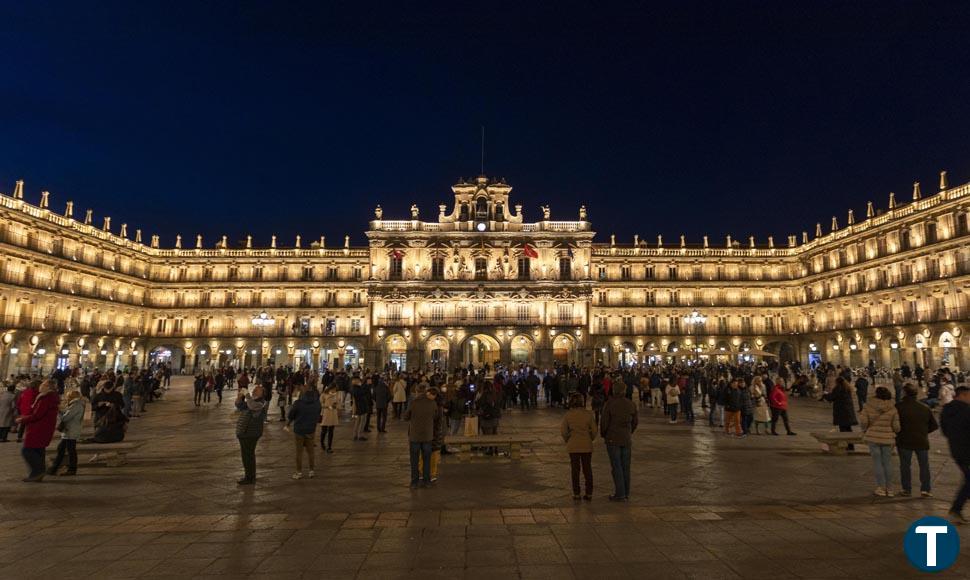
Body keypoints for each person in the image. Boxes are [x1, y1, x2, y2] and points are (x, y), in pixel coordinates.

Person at [896, 383, 938, 497]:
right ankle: (925, 489)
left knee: (905, 466)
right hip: (921, 440)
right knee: (924, 465)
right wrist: (923, 432)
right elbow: (934, 426)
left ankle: (906, 489)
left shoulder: (898, 407)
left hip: (904, 440)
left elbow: (895, 425)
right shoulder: (925, 407)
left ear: (904, 393)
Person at [860, 387, 901, 497]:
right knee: (887, 463)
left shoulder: (868, 406)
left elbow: (863, 422)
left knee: (877, 462)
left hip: (873, 437)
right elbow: (897, 427)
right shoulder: (892, 408)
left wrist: (865, 429)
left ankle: (881, 488)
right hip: (887, 438)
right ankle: (890, 489)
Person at [16, 380, 60, 482]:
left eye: (43, 384)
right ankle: (37, 474)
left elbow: (37, 415)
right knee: (38, 450)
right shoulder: (50, 398)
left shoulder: (45, 399)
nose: (40, 386)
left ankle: (38, 471)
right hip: (45, 428)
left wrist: (22, 419)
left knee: (27, 450)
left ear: (48, 387)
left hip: (38, 428)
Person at [600, 385, 638, 502]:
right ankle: (626, 492)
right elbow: (635, 422)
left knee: (617, 466)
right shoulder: (631, 404)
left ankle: (620, 493)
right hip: (626, 439)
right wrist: (629, 432)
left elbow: (604, 422)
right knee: (626, 467)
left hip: (613, 439)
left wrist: (604, 434)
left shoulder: (610, 404)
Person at [941, 386, 970, 523]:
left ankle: (957, 508)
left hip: (956, 450)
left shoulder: (946, 410)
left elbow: (945, 431)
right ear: (963, 395)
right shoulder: (967, 410)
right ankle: (956, 509)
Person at [561, 392, 597, 501]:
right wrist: (589, 438)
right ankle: (589, 493)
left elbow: (564, 431)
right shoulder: (588, 414)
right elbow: (594, 431)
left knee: (575, 470)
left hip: (573, 446)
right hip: (586, 445)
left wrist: (569, 439)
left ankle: (576, 493)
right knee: (587, 469)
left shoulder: (568, 415)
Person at [404, 386, 439, 488]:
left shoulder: (413, 403)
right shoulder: (432, 403)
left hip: (415, 435)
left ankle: (414, 482)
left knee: (414, 460)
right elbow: (435, 416)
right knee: (427, 459)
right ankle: (426, 481)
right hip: (427, 435)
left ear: (417, 392)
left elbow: (406, 416)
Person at [47, 389, 86, 476]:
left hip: (71, 431)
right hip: (70, 431)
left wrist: (59, 412)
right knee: (62, 449)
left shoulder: (76, 405)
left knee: (70, 450)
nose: (66, 398)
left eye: (67, 397)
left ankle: (71, 469)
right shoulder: (76, 404)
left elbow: (65, 418)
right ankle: (54, 468)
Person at [235, 385, 267, 485]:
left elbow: (252, 406)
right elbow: (239, 405)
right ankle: (249, 476)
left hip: (251, 433)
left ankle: (249, 477)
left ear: (262, 393)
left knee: (248, 456)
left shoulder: (261, 402)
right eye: (254, 389)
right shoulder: (252, 400)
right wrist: (240, 396)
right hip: (244, 432)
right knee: (246, 455)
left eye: (257, 390)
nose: (254, 391)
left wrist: (247, 395)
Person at [287, 386, 321, 480]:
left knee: (299, 452)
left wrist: (288, 423)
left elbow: (291, 415)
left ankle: (299, 472)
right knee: (311, 452)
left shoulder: (298, 403)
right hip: (311, 430)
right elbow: (318, 414)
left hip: (299, 430)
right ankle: (311, 470)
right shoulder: (317, 403)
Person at [823, 378, 855, 447]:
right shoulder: (847, 388)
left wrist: (825, 395)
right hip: (848, 412)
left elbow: (832, 397)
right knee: (848, 429)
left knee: (843, 430)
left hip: (842, 412)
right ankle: (851, 446)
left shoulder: (839, 388)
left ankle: (847, 445)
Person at [319, 384, 339, 453]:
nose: (334, 390)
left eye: (335, 389)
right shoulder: (324, 394)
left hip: (333, 414)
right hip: (326, 413)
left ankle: (329, 446)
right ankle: (322, 443)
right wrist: (327, 406)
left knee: (331, 431)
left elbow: (338, 402)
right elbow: (320, 404)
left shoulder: (336, 394)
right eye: (334, 389)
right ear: (331, 388)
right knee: (324, 430)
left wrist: (336, 405)